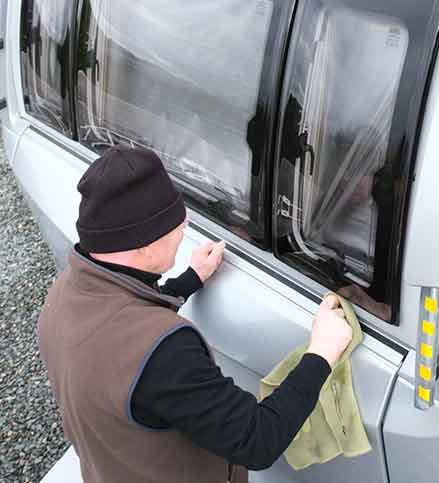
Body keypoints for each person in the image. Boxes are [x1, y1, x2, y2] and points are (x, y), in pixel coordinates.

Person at [37, 145, 353, 483]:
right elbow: (257, 440)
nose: (186, 221)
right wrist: (321, 352)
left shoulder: (64, 295)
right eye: (175, 219)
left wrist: (189, 279)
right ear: (144, 243)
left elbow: (122, 318)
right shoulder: (163, 352)